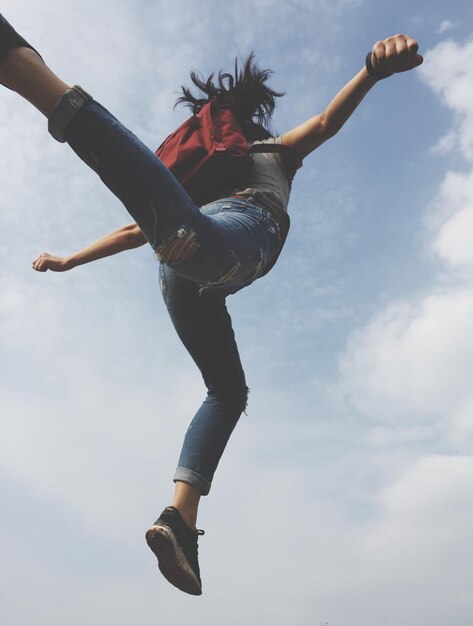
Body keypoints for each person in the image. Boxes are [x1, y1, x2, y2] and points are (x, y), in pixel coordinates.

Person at [0, 14, 423, 596]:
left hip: (180, 268)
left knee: (227, 388)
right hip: (233, 239)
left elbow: (131, 233)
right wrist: (371, 71)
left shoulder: (210, 171)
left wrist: (70, 260)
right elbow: (327, 121)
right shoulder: (274, 151)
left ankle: (180, 519)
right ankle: (30, 73)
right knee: (193, 241)